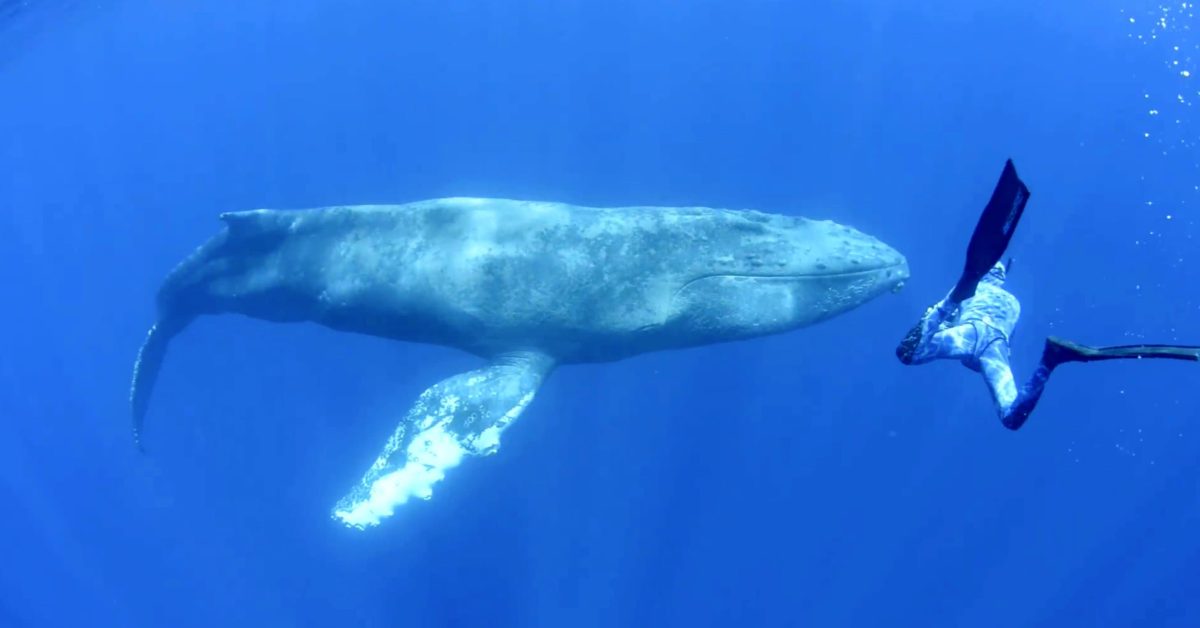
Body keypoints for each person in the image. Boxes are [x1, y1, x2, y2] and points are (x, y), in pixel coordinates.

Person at [896, 159, 1200, 430]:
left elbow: (931, 328)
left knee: (909, 352)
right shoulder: (1011, 302)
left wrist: (951, 302)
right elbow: (1002, 335)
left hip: (972, 329)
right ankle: (1051, 358)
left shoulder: (980, 290)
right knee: (1011, 417)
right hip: (995, 344)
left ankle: (1045, 357)